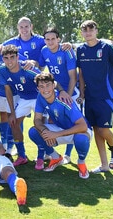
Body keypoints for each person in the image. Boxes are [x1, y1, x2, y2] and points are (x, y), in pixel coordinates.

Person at [76, 20, 113, 173]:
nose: (88, 32)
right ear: (81, 33)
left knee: (104, 130)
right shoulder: (80, 50)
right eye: (85, 30)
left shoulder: (107, 47)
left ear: (96, 30)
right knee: (96, 129)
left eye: (91, 29)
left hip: (106, 96)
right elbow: (81, 74)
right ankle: (104, 164)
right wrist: (82, 93)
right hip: (90, 98)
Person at [28, 72, 91, 178]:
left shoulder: (63, 100)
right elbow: (37, 120)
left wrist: (55, 135)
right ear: (38, 88)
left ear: (54, 85)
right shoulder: (40, 97)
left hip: (79, 131)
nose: (45, 89)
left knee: (81, 139)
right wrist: (45, 131)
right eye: (41, 86)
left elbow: (83, 126)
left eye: (48, 85)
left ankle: (81, 162)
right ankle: (56, 157)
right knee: (34, 132)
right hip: (60, 129)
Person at [39, 27, 79, 164]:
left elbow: (73, 77)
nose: (50, 42)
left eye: (53, 39)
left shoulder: (67, 51)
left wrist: (67, 95)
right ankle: (52, 153)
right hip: (54, 92)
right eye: (47, 39)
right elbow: (40, 69)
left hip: (70, 92)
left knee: (72, 123)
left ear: (59, 39)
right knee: (51, 121)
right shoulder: (44, 51)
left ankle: (68, 155)